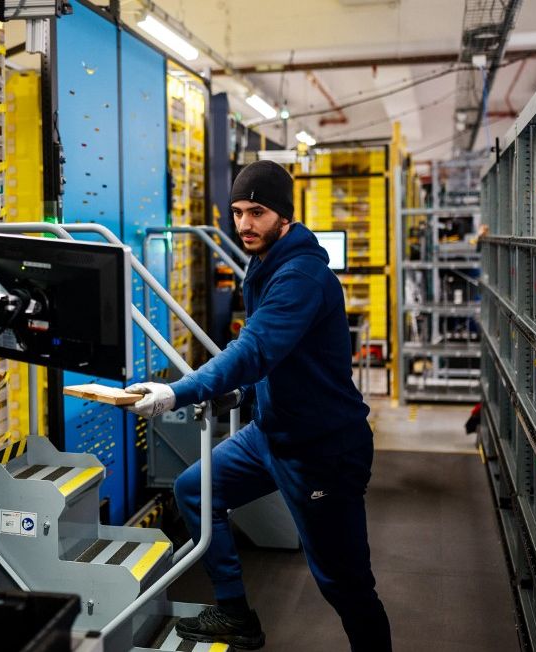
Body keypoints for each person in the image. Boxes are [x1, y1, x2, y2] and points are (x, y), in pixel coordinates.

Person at [124, 160, 392, 651]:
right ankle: (234, 614)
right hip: (270, 434)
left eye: (257, 212)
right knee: (195, 490)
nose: (244, 224)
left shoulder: (302, 276)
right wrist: (243, 393)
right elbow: (276, 360)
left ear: (284, 217)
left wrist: (178, 392)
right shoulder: (263, 262)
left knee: (345, 585)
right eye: (238, 212)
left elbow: (256, 349)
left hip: (322, 452)